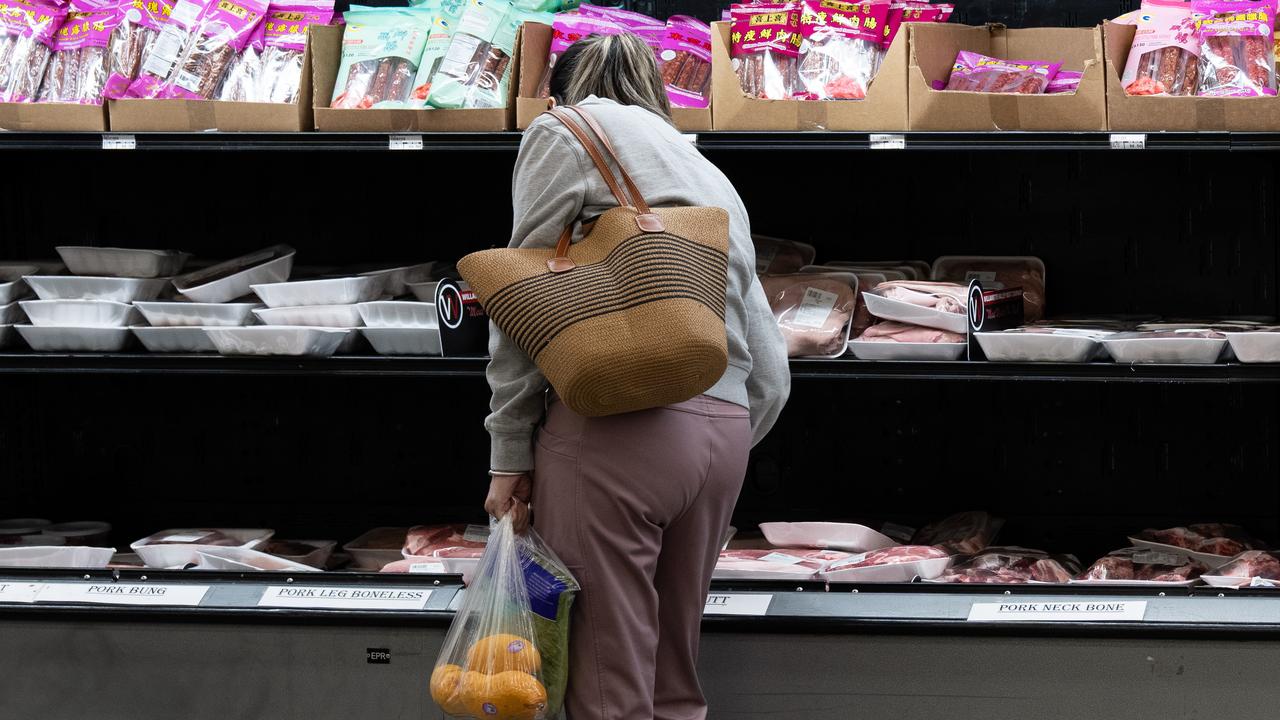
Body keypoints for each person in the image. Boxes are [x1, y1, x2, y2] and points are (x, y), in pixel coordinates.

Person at [482, 32, 790, 720]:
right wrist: (712, 430)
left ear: (556, 92)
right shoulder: (704, 167)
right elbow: (768, 355)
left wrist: (507, 454)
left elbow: (520, 297)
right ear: (659, 95)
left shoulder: (560, 129)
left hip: (621, 431)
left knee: (605, 686)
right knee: (671, 682)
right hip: (723, 435)